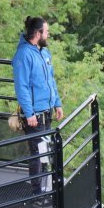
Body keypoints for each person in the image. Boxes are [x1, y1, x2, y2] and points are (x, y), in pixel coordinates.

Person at [12, 16, 64, 195]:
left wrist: (57, 103)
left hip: (46, 112)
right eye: (46, 32)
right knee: (37, 153)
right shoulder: (24, 55)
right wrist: (29, 113)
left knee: (46, 151)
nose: (48, 35)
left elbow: (50, 80)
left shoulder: (43, 52)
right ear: (37, 33)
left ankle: (46, 188)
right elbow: (22, 87)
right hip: (34, 116)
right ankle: (36, 193)